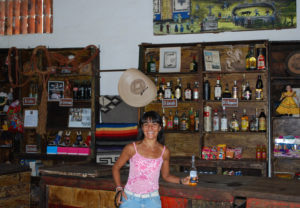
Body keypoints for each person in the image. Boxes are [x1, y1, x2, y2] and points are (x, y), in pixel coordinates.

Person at [112, 111, 191, 208]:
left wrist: (182, 181)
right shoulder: (131, 148)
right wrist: (119, 189)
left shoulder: (164, 152)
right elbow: (116, 167)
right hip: (130, 200)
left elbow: (166, 176)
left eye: (154, 124)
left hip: (152, 201)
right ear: (142, 127)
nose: (150, 128)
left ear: (160, 128)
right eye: (146, 124)